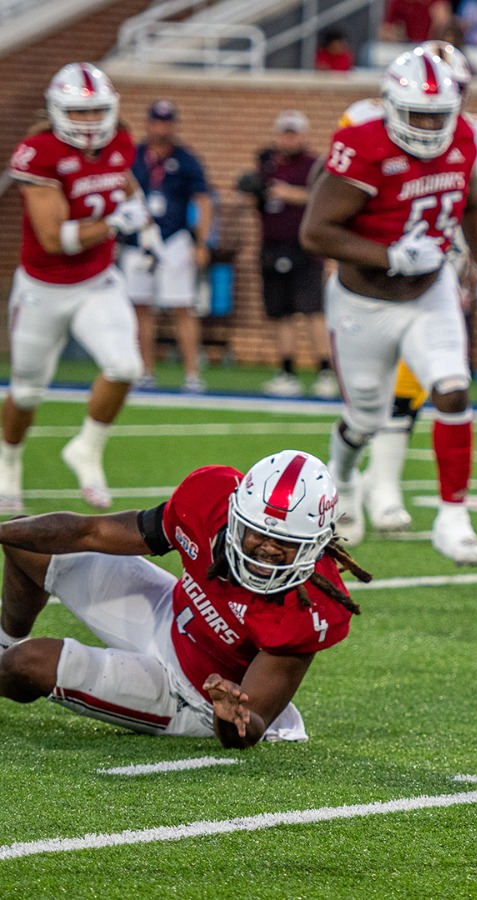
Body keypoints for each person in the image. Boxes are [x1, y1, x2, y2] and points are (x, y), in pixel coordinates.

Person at [0, 451, 369, 748]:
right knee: (24, 541)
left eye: (287, 541)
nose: (268, 548)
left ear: (317, 544)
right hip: (169, 613)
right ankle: (4, 638)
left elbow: (252, 723)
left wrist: (229, 714)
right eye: (257, 533)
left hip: (193, 695)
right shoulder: (209, 498)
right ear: (236, 515)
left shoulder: (313, 606)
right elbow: (92, 532)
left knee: (25, 663)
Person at [300, 49, 477, 567]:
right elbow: (315, 231)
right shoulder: (363, 146)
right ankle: (344, 478)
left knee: (453, 389)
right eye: (418, 114)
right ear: (391, 105)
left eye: (440, 116)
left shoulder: (463, 138)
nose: (430, 127)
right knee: (364, 420)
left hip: (429, 292)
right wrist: (386, 255)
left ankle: (453, 518)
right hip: (363, 301)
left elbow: (474, 202)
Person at [2, 63, 150, 513]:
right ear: (56, 110)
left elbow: (124, 182)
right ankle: (8, 462)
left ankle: (86, 448)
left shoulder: (120, 139)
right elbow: (56, 238)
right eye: (78, 112)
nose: (89, 121)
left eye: (96, 111)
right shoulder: (38, 152)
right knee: (27, 392)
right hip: (43, 287)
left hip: (97, 281)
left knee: (125, 367)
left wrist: (142, 219)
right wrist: (115, 223)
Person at [246, 110, 337, 400]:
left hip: (304, 248)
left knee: (312, 311)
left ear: (304, 135)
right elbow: (254, 196)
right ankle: (287, 372)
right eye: (285, 133)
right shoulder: (267, 164)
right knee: (280, 313)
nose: (289, 139)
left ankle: (325, 372)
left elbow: (322, 198)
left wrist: (289, 193)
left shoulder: (313, 165)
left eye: (294, 133)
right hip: (272, 247)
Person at [125, 100, 213, 394]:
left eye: (167, 122)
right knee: (140, 307)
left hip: (174, 238)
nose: (161, 128)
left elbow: (203, 200)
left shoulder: (186, 160)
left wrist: (201, 242)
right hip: (139, 239)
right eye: (157, 122)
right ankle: (145, 371)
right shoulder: (134, 156)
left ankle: (192, 374)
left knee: (182, 306)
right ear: (148, 124)